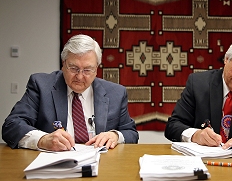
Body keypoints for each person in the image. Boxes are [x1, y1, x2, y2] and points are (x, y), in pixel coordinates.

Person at [2, 34, 139, 151]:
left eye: (87, 70)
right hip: (54, 166)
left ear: (96, 68)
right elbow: (11, 126)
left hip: (102, 165)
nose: (79, 77)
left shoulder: (116, 93)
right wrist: (42, 140)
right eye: (73, 68)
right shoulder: (41, 86)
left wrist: (115, 135)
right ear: (63, 64)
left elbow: (131, 134)